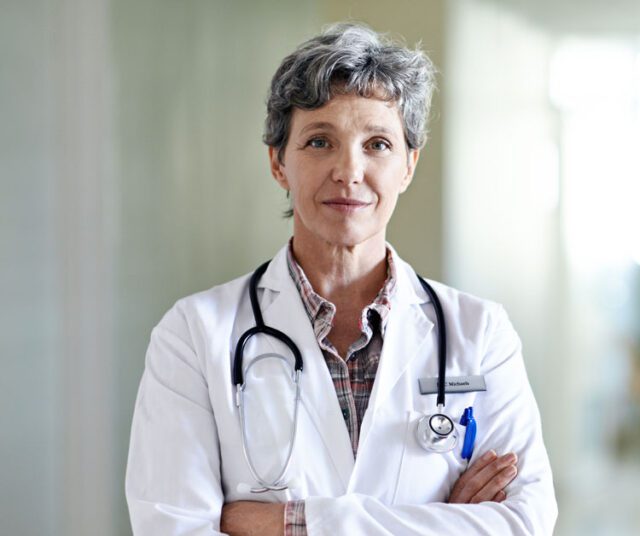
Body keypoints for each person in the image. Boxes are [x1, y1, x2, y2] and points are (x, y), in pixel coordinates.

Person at [125, 22, 557, 535]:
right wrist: (445, 519)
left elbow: (523, 523)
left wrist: (287, 522)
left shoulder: (480, 333)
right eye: (319, 141)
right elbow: (172, 529)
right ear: (278, 162)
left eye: (376, 144)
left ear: (408, 166)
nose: (349, 171)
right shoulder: (193, 336)